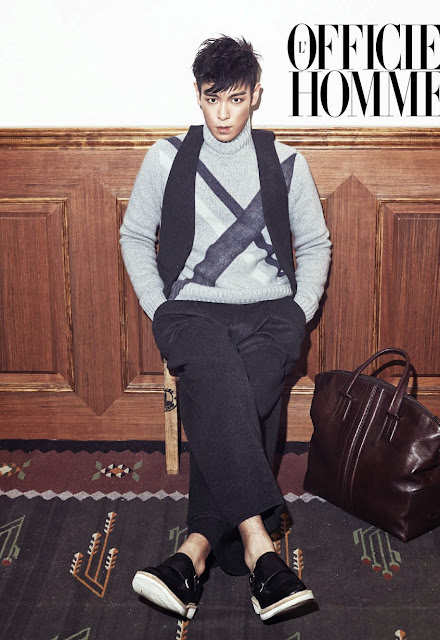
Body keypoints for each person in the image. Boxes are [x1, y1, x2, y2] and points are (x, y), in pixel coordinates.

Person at [120, 35, 331, 622]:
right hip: (191, 310)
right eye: (212, 99)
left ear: (256, 95)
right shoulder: (166, 158)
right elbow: (134, 235)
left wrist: (299, 310)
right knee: (219, 375)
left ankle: (192, 555)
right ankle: (261, 547)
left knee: (233, 394)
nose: (222, 114)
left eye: (235, 99)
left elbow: (315, 243)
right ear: (197, 94)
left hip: (271, 312)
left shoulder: (286, 162)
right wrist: (159, 305)